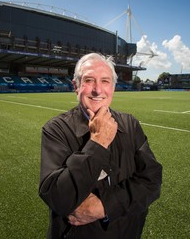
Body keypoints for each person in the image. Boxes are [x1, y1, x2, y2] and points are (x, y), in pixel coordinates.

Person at [39, 53, 162, 238]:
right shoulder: (56, 129)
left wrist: (104, 206)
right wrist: (98, 142)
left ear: (113, 87)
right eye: (89, 80)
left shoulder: (130, 124)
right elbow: (59, 199)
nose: (98, 90)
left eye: (105, 81)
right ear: (76, 86)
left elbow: (152, 181)